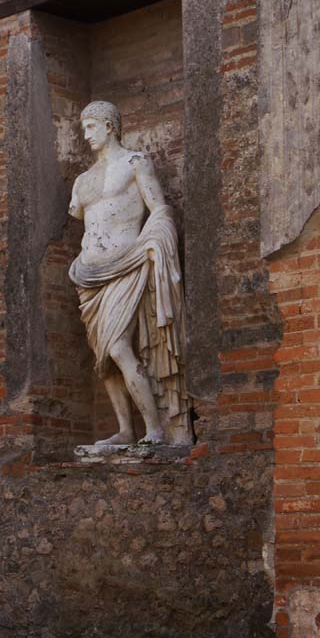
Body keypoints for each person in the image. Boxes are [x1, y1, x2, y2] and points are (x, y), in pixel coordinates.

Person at [68, 100, 190, 446]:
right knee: (104, 357)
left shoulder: (135, 163)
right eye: (83, 128)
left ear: (110, 126)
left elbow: (160, 209)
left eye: (91, 127)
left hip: (126, 266)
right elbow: (83, 219)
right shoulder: (82, 180)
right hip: (89, 275)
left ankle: (154, 428)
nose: (86, 134)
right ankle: (125, 429)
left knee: (119, 346)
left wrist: (154, 241)